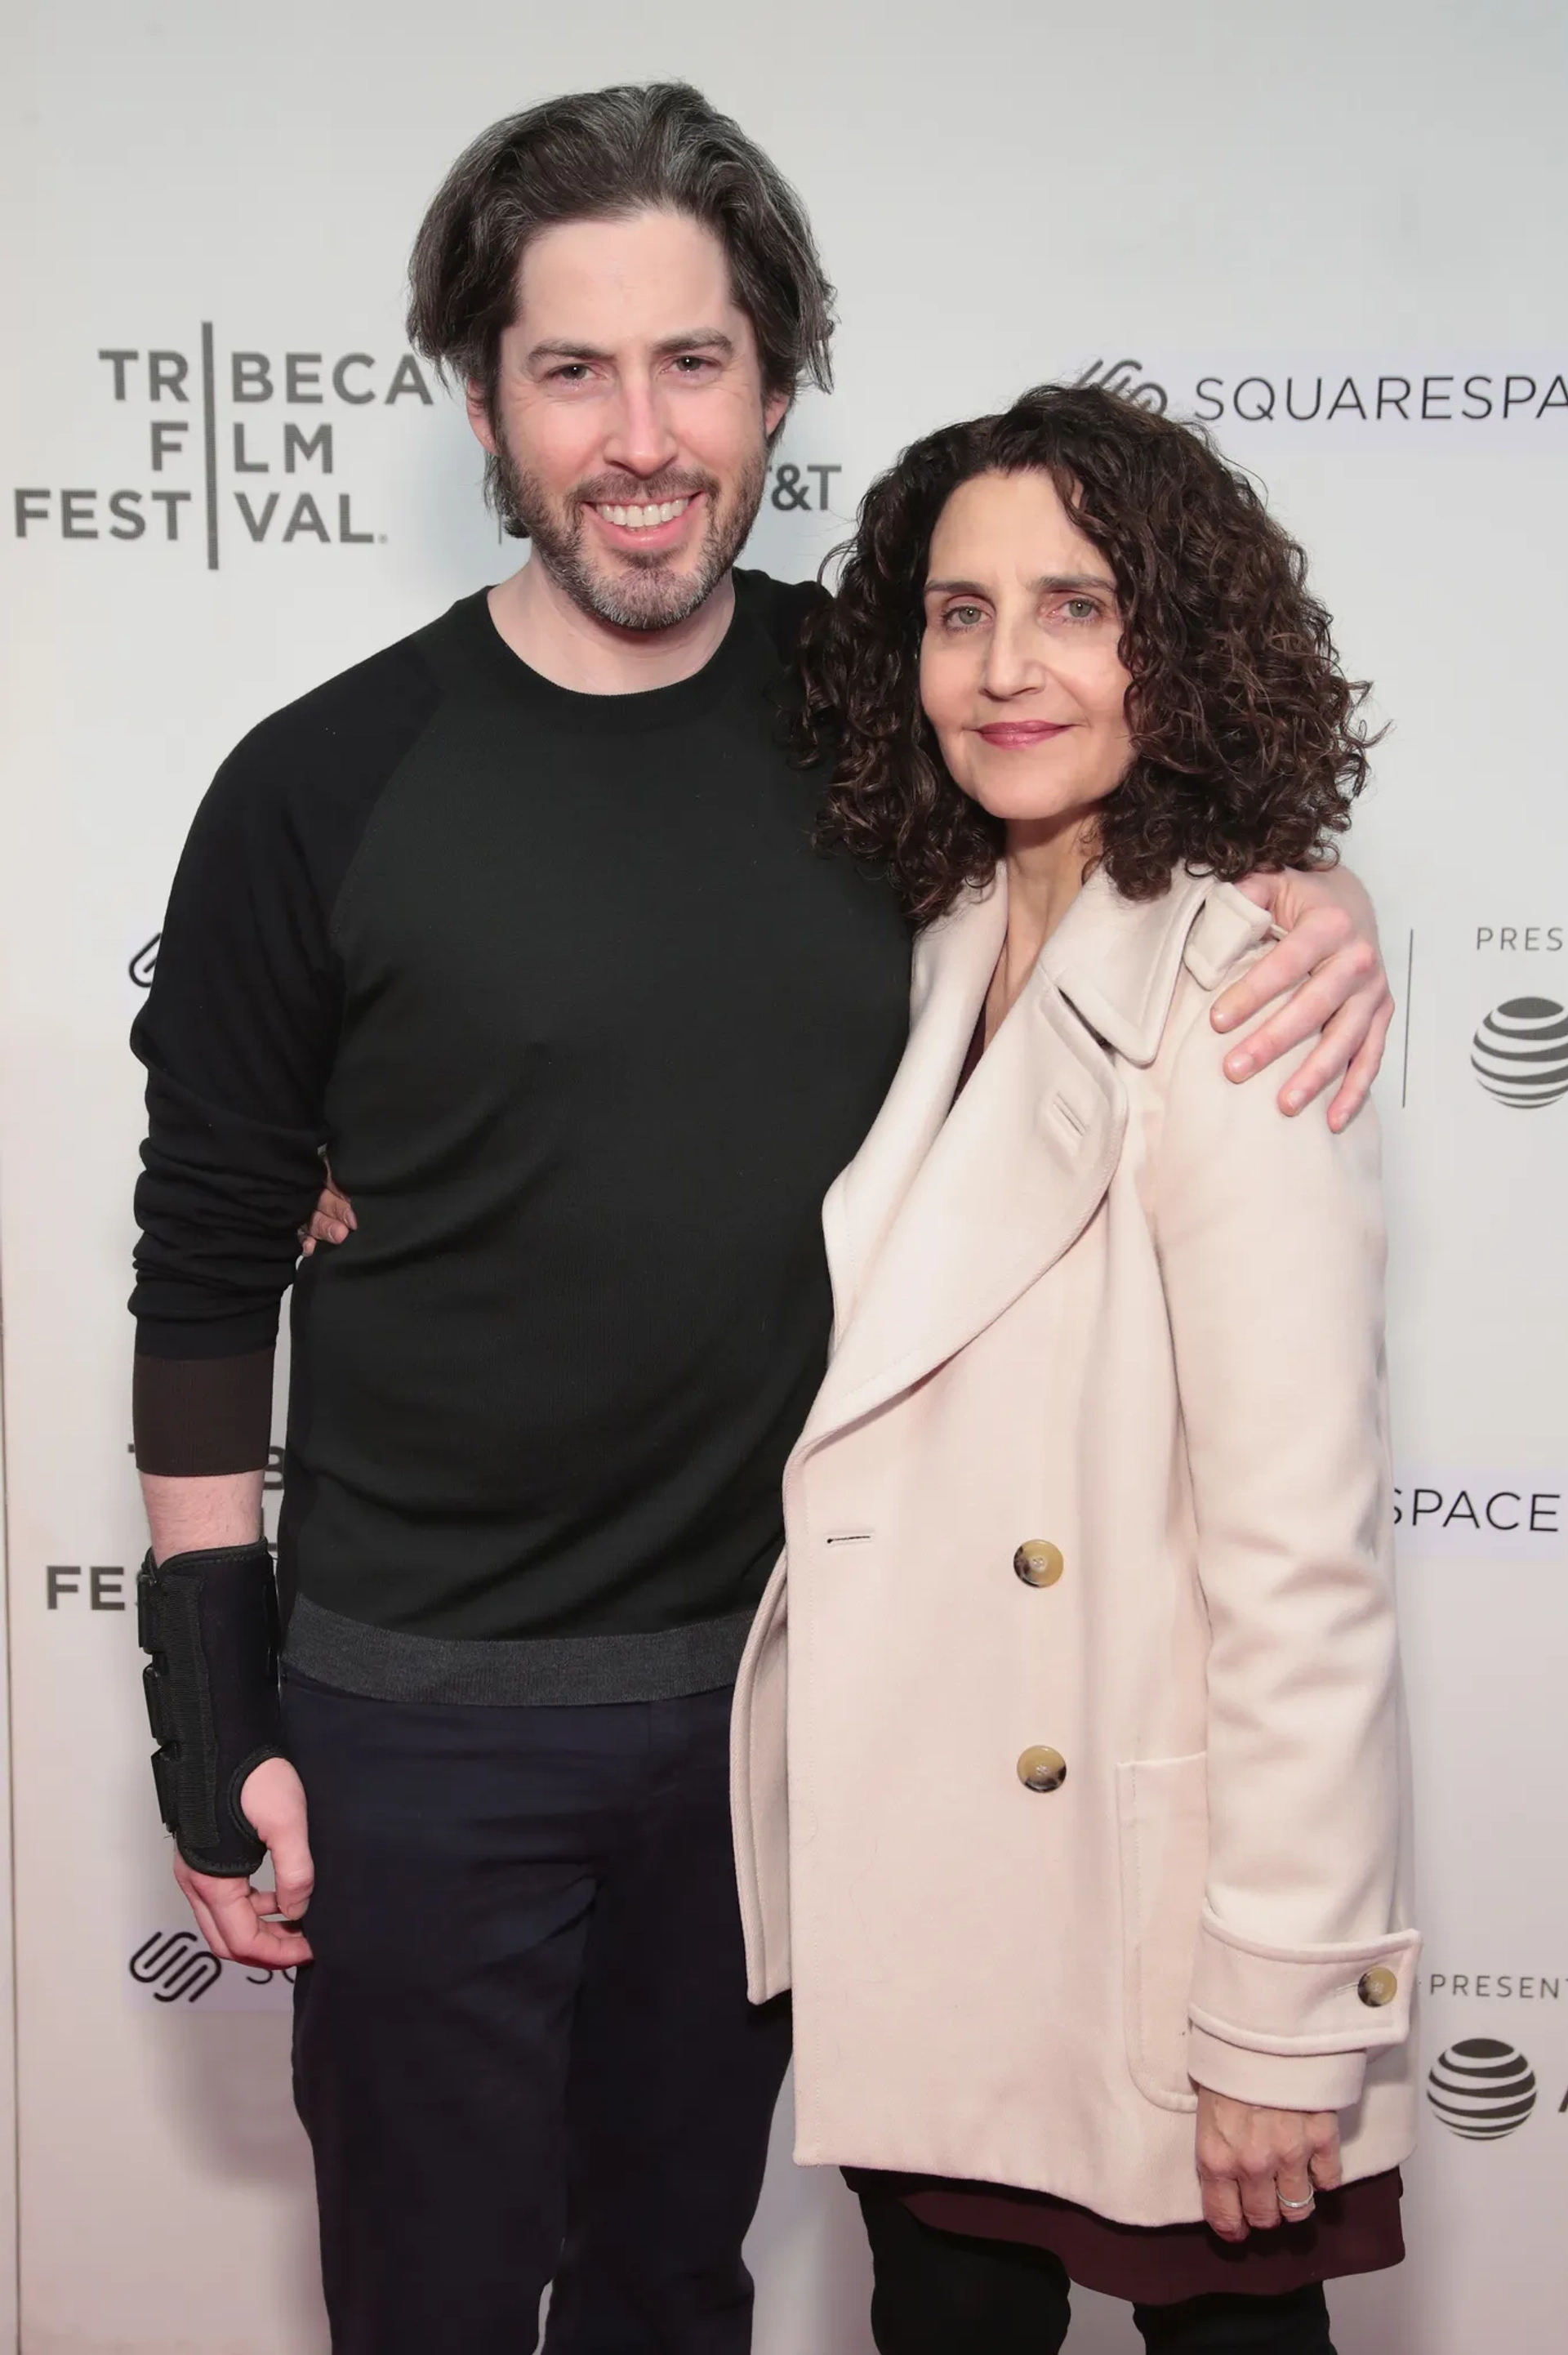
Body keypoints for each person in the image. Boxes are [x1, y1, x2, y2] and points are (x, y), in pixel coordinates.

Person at [131, 86, 1394, 2355]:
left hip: (793, 1720)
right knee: (421, 2307)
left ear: (779, 384)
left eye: (694, 362)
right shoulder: (318, 785)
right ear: (484, 397)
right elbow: (207, 1261)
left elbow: (1121, 823)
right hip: (424, 1720)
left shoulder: (880, 714)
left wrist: (1318, 901)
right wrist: (203, 1695)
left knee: (678, 2299)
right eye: (572, 369)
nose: (640, 435)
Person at [728, 381, 1418, 2355]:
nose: (1007, 667)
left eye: (1076, 604)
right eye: (959, 612)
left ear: (1175, 644)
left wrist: (1286, 2009)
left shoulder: (1242, 982)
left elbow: (1300, 1553)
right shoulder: (932, 938)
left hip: (1150, 1925)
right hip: (935, 1885)